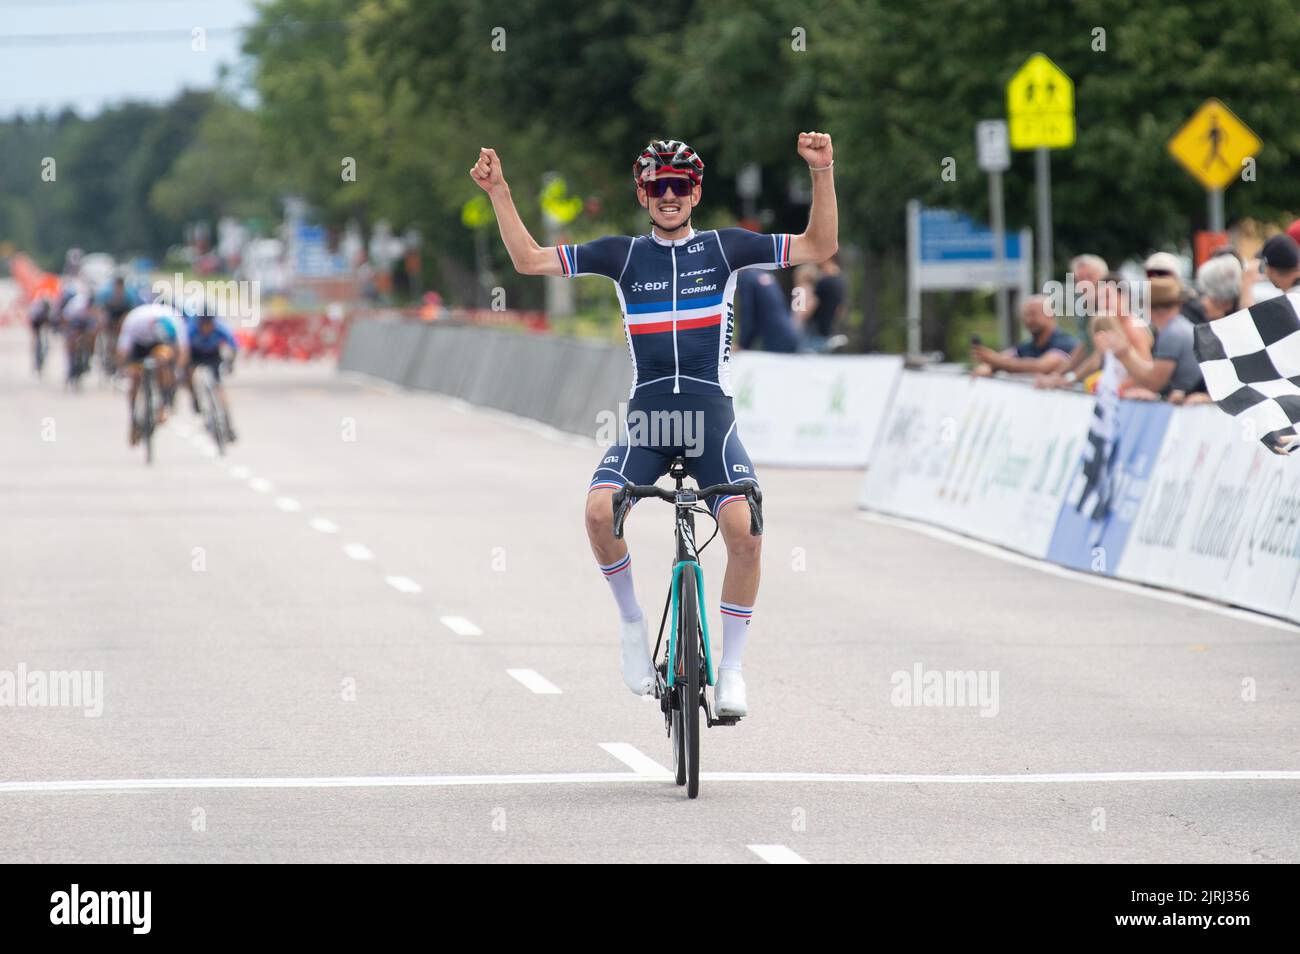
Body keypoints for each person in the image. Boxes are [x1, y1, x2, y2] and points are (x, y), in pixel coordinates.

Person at [470, 133, 838, 716]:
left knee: (747, 533)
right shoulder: (623, 255)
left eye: (680, 186)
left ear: (694, 193)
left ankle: (734, 670)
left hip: (710, 420)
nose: (669, 195)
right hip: (649, 421)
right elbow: (529, 260)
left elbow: (820, 243)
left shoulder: (726, 249)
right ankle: (632, 625)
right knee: (597, 512)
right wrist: (500, 192)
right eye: (658, 186)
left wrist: (822, 171)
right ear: (644, 194)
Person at [1095, 275, 1202, 402]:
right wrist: (1124, 354)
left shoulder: (1172, 333)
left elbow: (1154, 383)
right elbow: (1153, 375)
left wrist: (1124, 354)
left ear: (1150, 308)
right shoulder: (1178, 327)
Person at [115, 302, 189, 445]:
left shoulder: (174, 320)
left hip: (161, 345)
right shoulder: (134, 321)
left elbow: (183, 350)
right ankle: (134, 419)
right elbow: (123, 350)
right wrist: (123, 369)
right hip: (139, 345)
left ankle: (162, 405)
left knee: (163, 364)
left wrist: (177, 371)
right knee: (135, 376)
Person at [971, 294, 1077, 377]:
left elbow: (1040, 367)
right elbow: (1006, 356)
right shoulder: (1027, 346)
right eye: (1025, 315)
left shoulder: (1065, 343)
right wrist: (988, 366)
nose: (1028, 320)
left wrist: (994, 361)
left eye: (1033, 314)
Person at [184, 311, 239, 442]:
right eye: (204, 324)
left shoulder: (220, 328)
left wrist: (230, 363)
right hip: (195, 354)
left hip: (213, 355)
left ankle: (228, 424)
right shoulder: (191, 330)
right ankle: (195, 399)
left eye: (209, 324)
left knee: (218, 387)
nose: (206, 328)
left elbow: (233, 346)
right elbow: (184, 349)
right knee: (189, 375)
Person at [736, 268, 799, 353]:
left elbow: (748, 315)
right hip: (789, 331)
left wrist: (742, 344)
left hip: (775, 338)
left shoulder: (746, 278)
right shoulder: (764, 275)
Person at [795, 254, 845, 351]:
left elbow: (811, 305)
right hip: (828, 328)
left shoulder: (824, 282)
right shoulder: (840, 281)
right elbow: (839, 309)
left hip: (815, 329)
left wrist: (798, 319)